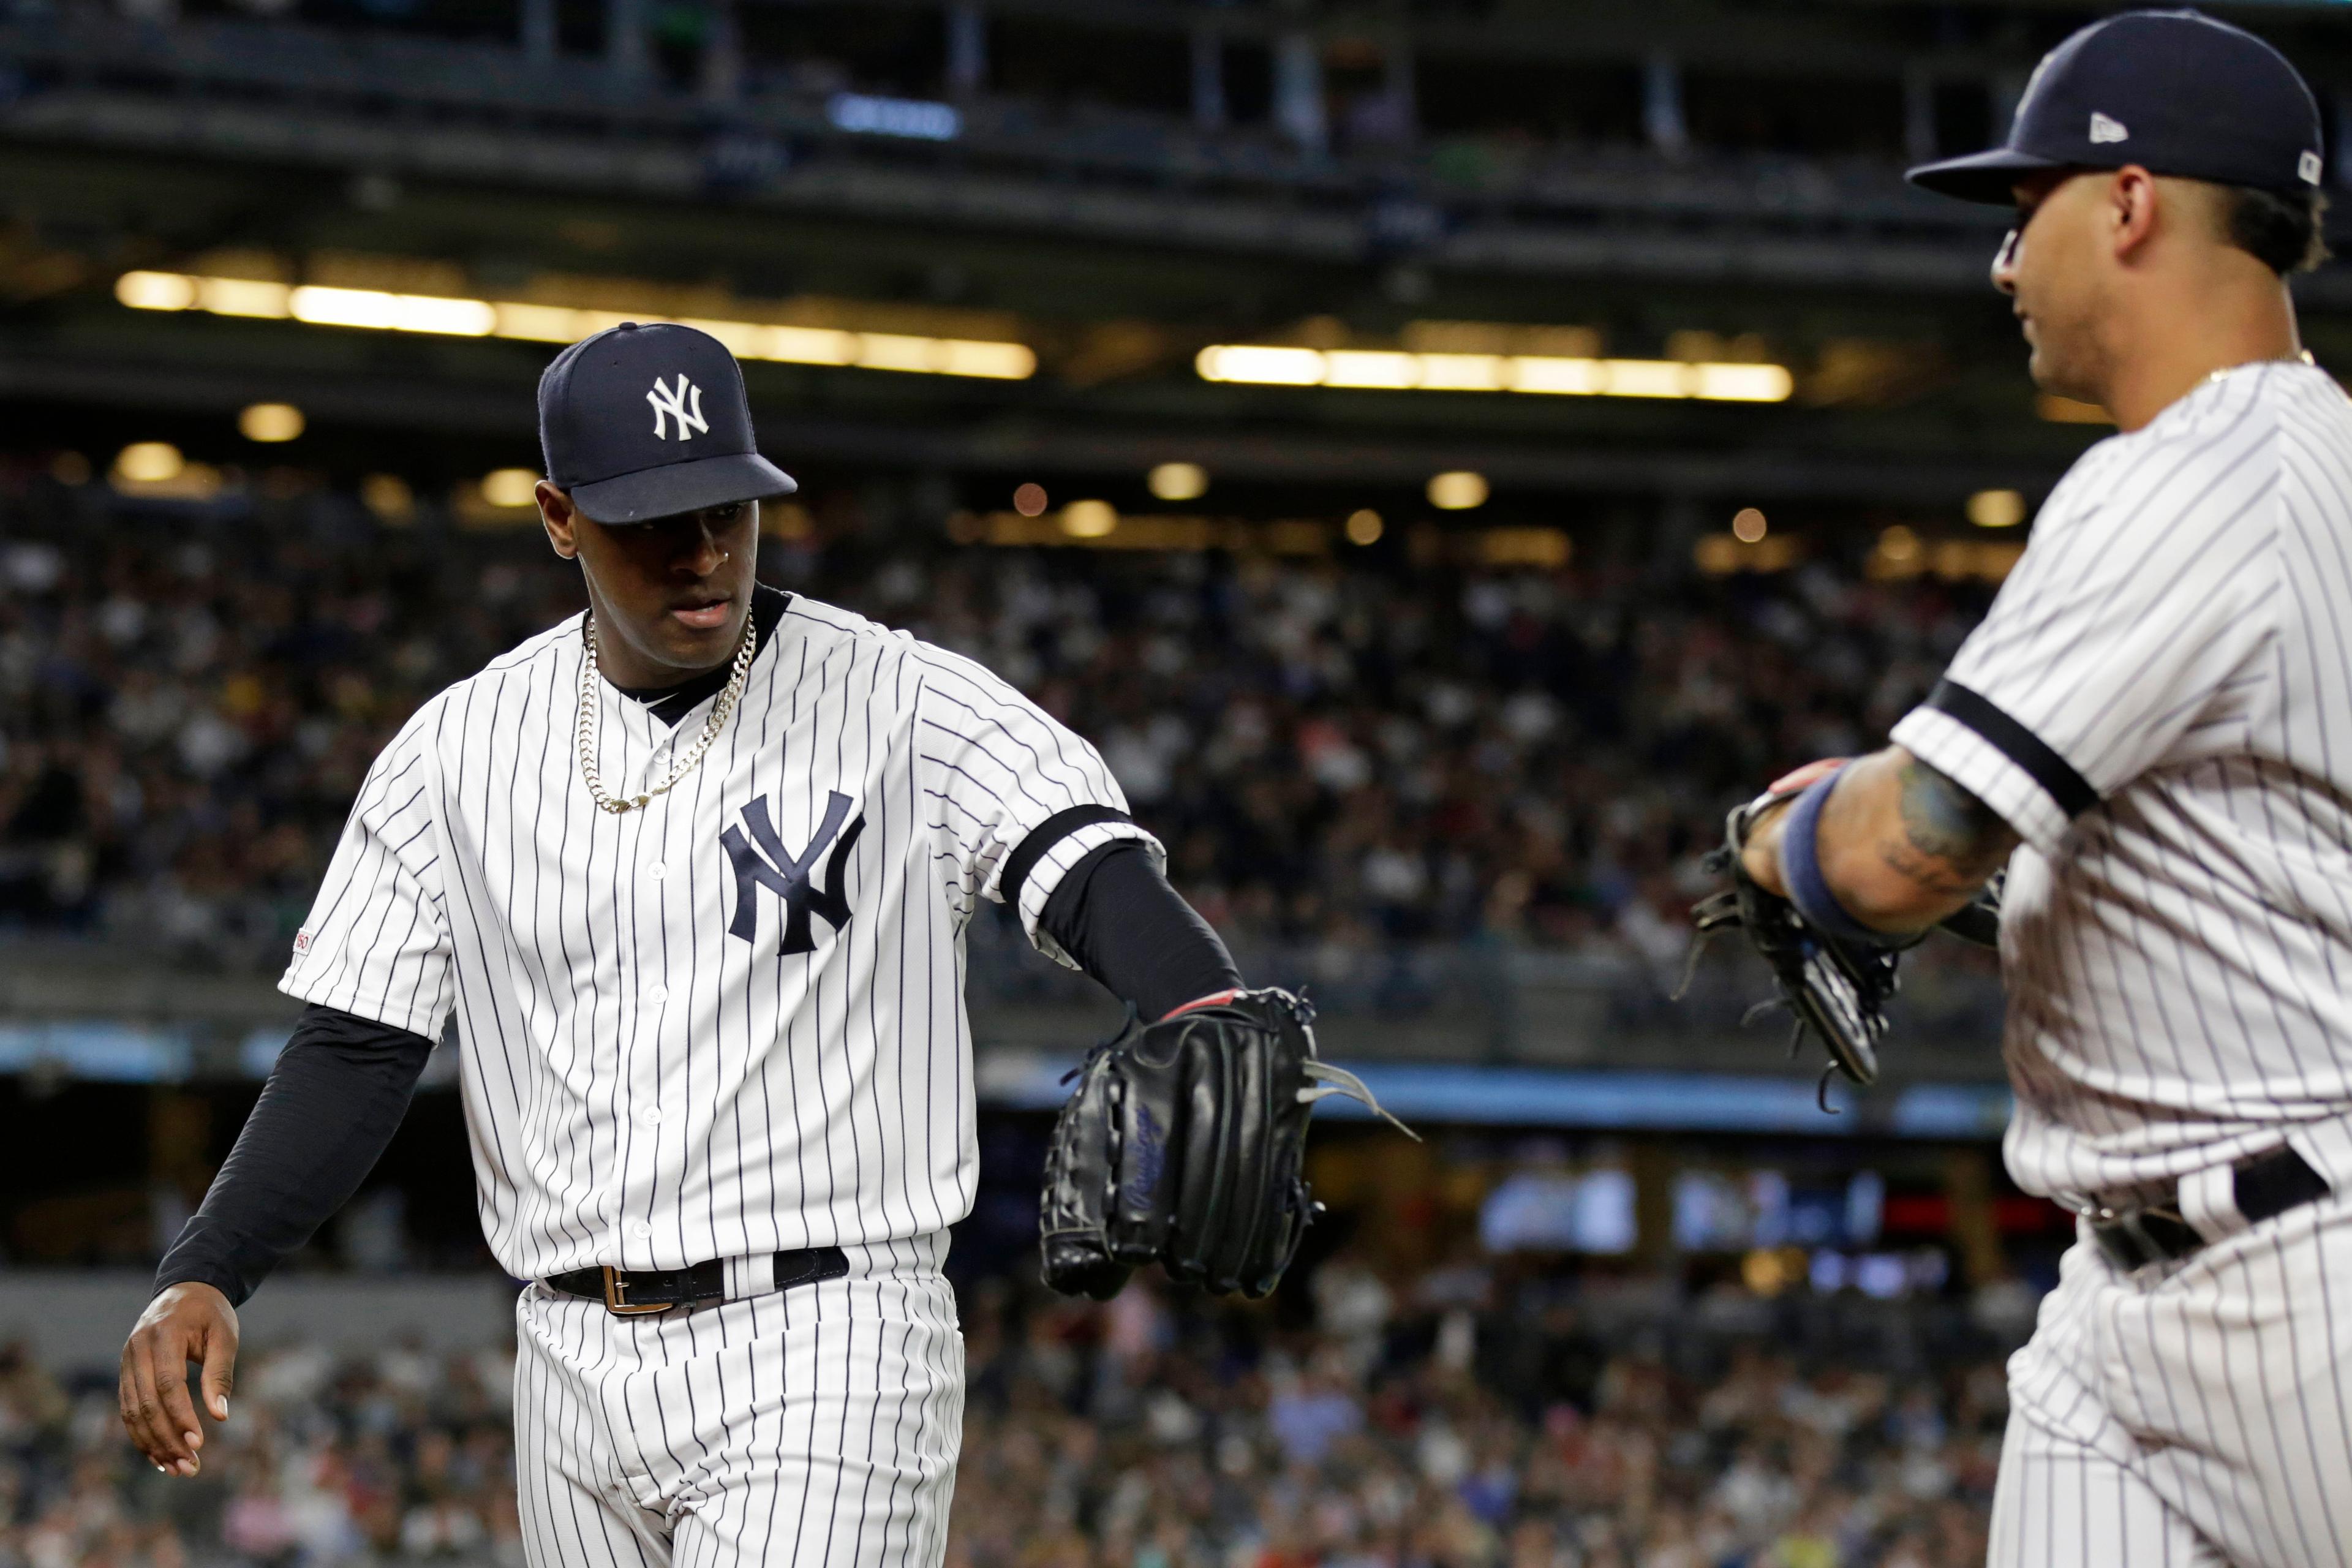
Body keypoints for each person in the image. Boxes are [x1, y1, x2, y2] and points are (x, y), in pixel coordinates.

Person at [117, 320, 1246, 1566]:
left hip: (830, 1332)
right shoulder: (456, 750)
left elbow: (1086, 865)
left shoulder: (900, 697)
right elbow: (356, 1046)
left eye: (726, 507)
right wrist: (210, 1266)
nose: (703, 550)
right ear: (559, 516)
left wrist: (1199, 1007)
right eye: (653, 518)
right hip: (567, 1353)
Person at [1736, 13, 2352, 1566]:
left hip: (2310, 1282)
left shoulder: (2192, 477)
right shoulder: (2321, 463)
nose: (2005, 269)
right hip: (2120, 1304)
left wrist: (1771, 835)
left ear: (2129, 202)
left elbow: (1888, 859)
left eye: (2028, 215)